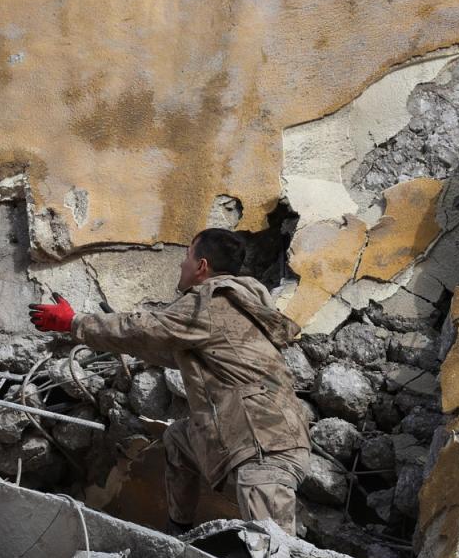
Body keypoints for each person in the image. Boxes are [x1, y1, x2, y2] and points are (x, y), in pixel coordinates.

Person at [28, 228, 311, 535]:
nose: (182, 265)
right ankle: (179, 530)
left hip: (263, 445)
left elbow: (145, 328)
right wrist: (113, 340)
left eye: (187, 257)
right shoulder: (232, 309)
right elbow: (165, 348)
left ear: (202, 266)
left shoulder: (210, 302)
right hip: (256, 432)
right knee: (179, 438)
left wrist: (75, 323)